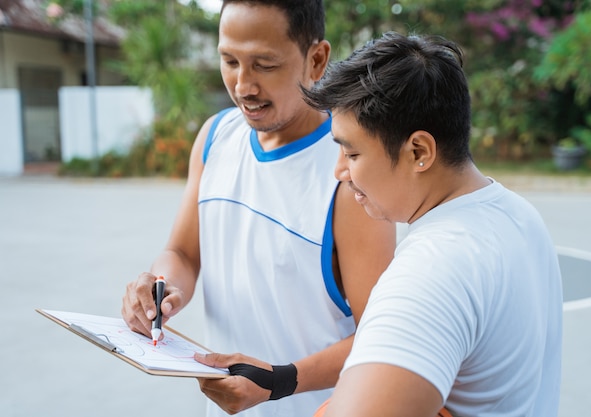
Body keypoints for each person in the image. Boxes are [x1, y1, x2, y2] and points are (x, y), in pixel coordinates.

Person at [121, 1, 396, 416]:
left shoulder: (347, 171)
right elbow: (182, 254)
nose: (242, 84)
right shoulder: (215, 138)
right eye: (229, 60)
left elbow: (383, 338)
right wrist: (159, 290)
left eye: (265, 65)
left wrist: (277, 382)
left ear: (316, 59)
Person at [303, 32, 563, 416]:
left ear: (418, 151)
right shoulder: (519, 215)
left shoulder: (432, 267)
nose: (339, 170)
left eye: (352, 151)